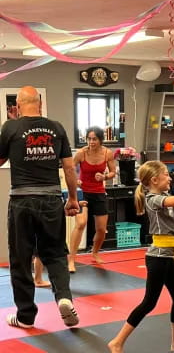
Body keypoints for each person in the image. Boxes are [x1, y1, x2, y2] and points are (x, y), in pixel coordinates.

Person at [0, 86, 80, 329]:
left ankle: (25, 316)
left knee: (20, 258)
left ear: (17, 106)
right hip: (51, 199)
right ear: (40, 104)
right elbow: (69, 168)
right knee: (55, 253)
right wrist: (73, 199)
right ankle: (64, 298)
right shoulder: (56, 128)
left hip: (22, 201)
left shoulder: (10, 127)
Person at [108, 160, 174, 353]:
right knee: (149, 302)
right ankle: (117, 341)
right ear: (155, 180)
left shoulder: (164, 195)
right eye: (166, 174)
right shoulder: (152, 199)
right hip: (158, 257)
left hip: (169, 255)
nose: (168, 177)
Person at [68, 126, 116, 272]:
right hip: (83, 192)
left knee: (101, 229)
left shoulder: (107, 153)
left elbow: (113, 172)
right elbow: (70, 168)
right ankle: (71, 260)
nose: (91, 142)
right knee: (81, 224)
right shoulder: (81, 153)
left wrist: (105, 176)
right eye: (89, 139)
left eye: (94, 139)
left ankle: (95, 252)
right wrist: (76, 181)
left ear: (100, 140)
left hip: (99, 192)